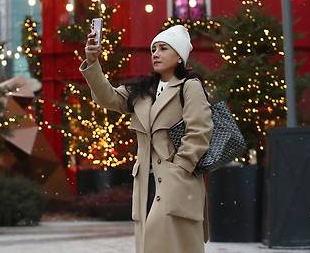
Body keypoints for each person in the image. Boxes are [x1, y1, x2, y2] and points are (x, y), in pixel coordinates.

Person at [80, 25, 212, 253]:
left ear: (179, 56)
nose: (156, 53)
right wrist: (93, 62)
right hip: (146, 185)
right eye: (153, 49)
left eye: (163, 48)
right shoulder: (142, 90)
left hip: (177, 182)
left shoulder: (189, 87)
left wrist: (179, 169)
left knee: (168, 244)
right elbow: (107, 96)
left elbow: (200, 131)